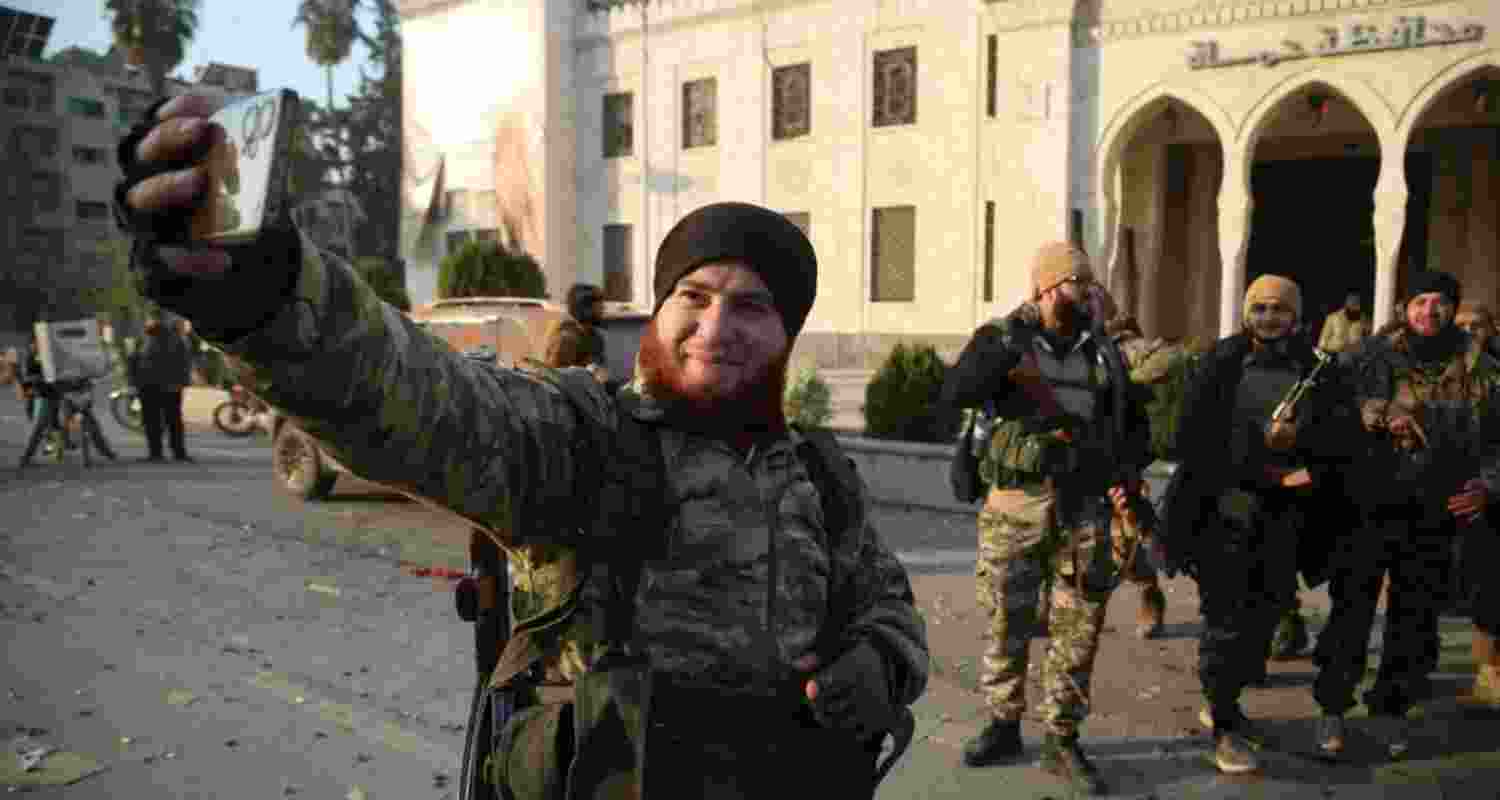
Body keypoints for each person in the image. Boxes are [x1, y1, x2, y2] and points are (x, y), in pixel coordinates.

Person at [113, 92, 927, 799]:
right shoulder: (585, 439)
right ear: (659, 309)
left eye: (751, 307)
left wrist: (878, 663)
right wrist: (265, 287)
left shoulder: (819, 474)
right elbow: (419, 396)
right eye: (695, 296)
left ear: (788, 333)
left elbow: (888, 603)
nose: (716, 327)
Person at [942, 242, 1154, 796]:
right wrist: (1006, 348)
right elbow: (958, 389)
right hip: (1016, 502)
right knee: (1006, 620)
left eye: (1088, 283)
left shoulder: (1102, 351)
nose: (1085, 293)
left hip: (1084, 503)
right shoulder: (1004, 337)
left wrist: (1129, 481)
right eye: (1074, 283)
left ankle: (1063, 736)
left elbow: (1131, 423)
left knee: (1079, 624)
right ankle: (1003, 722)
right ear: (1045, 287)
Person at [1160, 275, 1360, 774]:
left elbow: (1344, 443)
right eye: (1260, 307)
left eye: (1279, 309)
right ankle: (1223, 726)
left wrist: (1303, 447)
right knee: (1226, 626)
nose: (1269, 317)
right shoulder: (1221, 363)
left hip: (1286, 520)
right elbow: (1190, 441)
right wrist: (1258, 462)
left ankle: (1227, 706)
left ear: (1296, 315)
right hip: (1225, 516)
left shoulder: (1317, 370)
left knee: (1263, 625)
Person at [1313, 271, 1500, 760]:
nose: (1429, 312)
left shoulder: (1481, 366)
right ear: (1404, 307)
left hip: (1435, 513)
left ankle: (1392, 711)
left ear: (1453, 309)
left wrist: (1488, 485)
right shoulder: (1369, 356)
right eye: (1420, 301)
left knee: (1414, 621)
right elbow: (1328, 408)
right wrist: (1376, 412)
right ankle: (1333, 708)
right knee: (1350, 613)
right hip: (1367, 506)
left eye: (1440, 303)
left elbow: (1497, 441)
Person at [131, 315, 194, 463]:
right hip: (170, 387)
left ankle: (156, 453)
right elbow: (184, 364)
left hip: (150, 387)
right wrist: (183, 383)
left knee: (153, 421)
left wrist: (135, 382)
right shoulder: (178, 341)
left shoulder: (148, 342)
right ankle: (178, 452)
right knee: (173, 420)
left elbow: (136, 361)